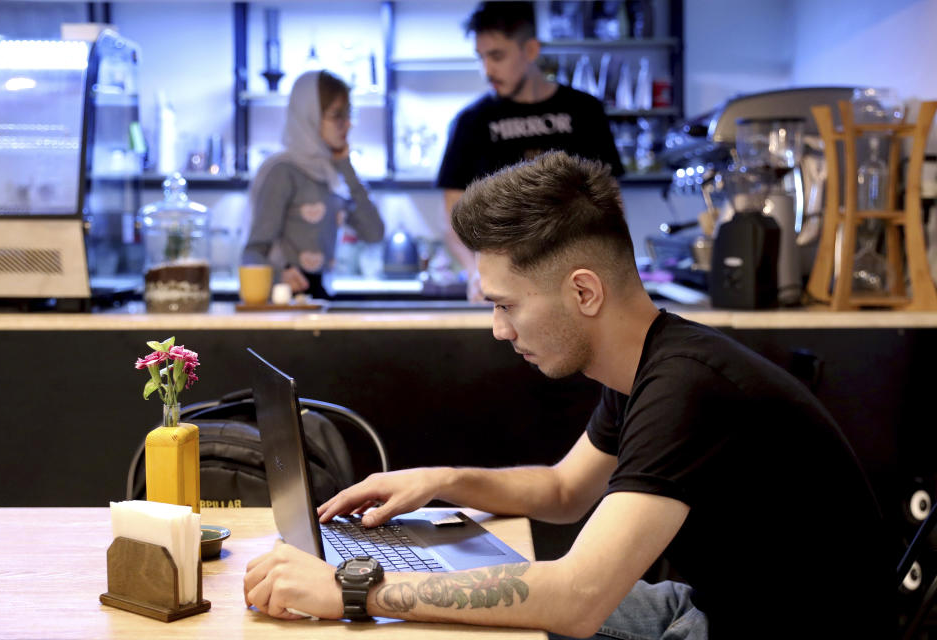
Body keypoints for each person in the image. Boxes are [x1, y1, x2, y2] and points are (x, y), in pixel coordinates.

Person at [243, 152, 892, 639]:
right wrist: (439, 480)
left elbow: (579, 598)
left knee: (452, 608)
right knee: (458, 604)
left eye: (506, 305)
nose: (499, 329)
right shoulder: (647, 361)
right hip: (710, 604)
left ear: (584, 292)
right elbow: (564, 491)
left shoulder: (691, 390)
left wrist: (356, 587)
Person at [436, 1, 624, 301]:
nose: (487, 69)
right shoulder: (471, 123)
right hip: (503, 286)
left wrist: (609, 269)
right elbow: (452, 214)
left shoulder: (584, 111)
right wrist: (475, 272)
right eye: (481, 57)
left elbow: (610, 202)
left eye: (497, 56)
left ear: (531, 50)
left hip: (575, 284)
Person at [243, 70, 384, 299]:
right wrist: (278, 276)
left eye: (349, 114)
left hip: (321, 295)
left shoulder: (333, 174)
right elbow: (252, 252)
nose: (347, 125)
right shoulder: (283, 171)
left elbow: (374, 233)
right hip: (285, 300)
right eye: (337, 115)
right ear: (309, 115)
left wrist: (345, 165)